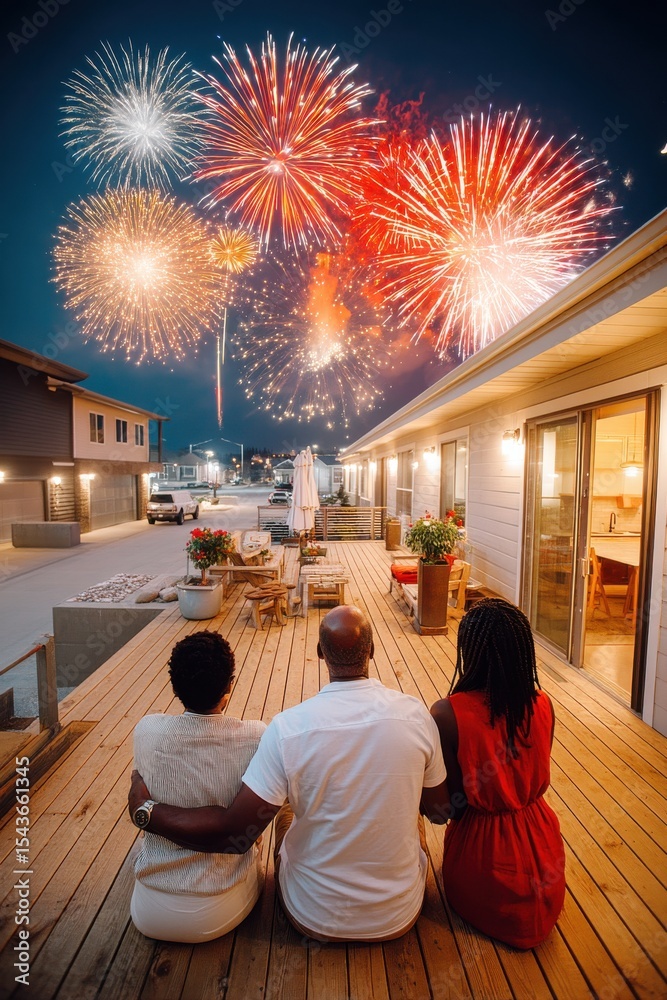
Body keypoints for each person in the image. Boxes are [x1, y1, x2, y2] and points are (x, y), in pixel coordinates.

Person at [129, 605, 449, 942]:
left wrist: (145, 810)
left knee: (285, 808)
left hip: (312, 913)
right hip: (398, 915)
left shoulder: (288, 728)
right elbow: (440, 813)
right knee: (410, 813)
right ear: (371, 650)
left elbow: (235, 833)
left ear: (319, 653)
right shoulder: (416, 716)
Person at [430, 598, 566, 950]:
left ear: (469, 651)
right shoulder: (542, 704)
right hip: (543, 848)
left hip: (484, 860)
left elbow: (452, 809)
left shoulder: (448, 714)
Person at [130, 631, 266, 943]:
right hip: (220, 907)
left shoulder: (147, 730)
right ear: (229, 685)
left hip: (148, 909)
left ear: (175, 687)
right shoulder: (256, 736)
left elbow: (138, 785)